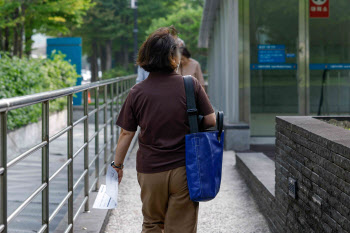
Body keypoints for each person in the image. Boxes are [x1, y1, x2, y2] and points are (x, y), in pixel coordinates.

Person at [112, 26, 216, 233]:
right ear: (173, 57)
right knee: (181, 226)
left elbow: (126, 133)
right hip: (184, 167)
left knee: (152, 223)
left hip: (150, 169)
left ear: (146, 57)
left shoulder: (137, 92)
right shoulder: (190, 84)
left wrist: (117, 166)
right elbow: (211, 120)